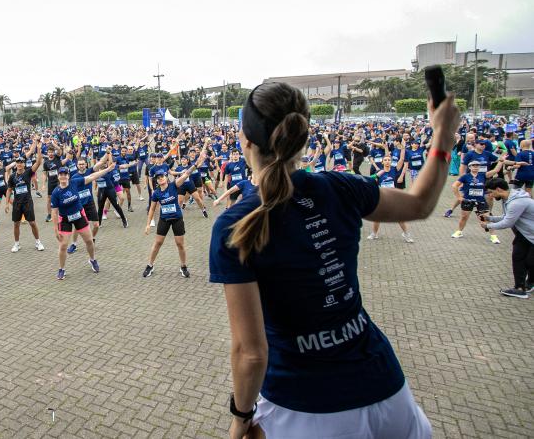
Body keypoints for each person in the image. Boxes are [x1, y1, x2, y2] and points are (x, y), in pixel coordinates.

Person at [208, 82, 457, 439]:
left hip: (303, 406)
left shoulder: (236, 224)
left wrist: (240, 418)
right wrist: (443, 138)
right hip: (387, 390)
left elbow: (251, 352)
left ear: (245, 140)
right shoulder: (341, 187)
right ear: (303, 137)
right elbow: (419, 203)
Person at [143, 149, 206, 278]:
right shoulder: (156, 193)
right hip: (164, 220)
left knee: (180, 244)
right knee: (158, 243)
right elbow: (152, 209)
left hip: (177, 219)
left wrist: (195, 165)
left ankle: (183, 266)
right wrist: (148, 224)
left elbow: (186, 174)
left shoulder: (174, 185)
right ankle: (150, 265)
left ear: (166, 177)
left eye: (162, 176)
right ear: (156, 180)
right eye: (158, 178)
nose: (160, 179)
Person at [50, 161, 114, 279]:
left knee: (89, 241)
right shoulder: (56, 193)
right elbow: (54, 212)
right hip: (65, 220)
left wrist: (107, 170)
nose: (63, 176)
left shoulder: (75, 182)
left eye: (65, 174)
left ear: (69, 175)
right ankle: (61, 269)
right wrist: (55, 229)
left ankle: (92, 260)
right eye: (61, 174)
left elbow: (92, 176)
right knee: (63, 245)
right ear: (58, 176)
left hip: (79, 215)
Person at [481, 178, 534, 299]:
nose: (490, 195)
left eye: (491, 192)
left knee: (530, 262)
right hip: (524, 234)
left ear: (498, 189)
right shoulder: (509, 199)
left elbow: (507, 223)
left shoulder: (517, 202)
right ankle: (520, 288)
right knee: (518, 257)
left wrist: (488, 225)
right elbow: (507, 216)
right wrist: (490, 218)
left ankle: (530, 282)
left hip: (530, 234)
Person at [5, 139, 46, 253]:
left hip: (28, 201)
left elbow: (38, 163)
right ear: (16, 164)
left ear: (24, 164)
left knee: (32, 223)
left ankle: (38, 242)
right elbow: (9, 190)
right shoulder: (12, 177)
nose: (19, 164)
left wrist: (38, 149)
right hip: (17, 203)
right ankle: (17, 244)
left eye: (21, 162)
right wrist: (7, 203)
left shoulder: (28, 172)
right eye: (17, 162)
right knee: (16, 224)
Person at [451, 160, 504, 242]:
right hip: (468, 201)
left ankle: (493, 236)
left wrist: (500, 162)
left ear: (479, 167)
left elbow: (496, 171)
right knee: (464, 217)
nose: (475, 167)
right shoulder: (465, 177)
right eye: (473, 165)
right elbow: (454, 186)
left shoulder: (483, 175)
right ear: (470, 167)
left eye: (477, 166)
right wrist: (459, 197)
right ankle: (459, 231)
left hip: (480, 201)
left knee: (485, 218)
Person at [366, 154, 415, 243]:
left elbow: (402, 159)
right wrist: (377, 175)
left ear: (391, 162)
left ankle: (406, 234)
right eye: (385, 160)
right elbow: (369, 179)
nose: (387, 161)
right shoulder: (380, 172)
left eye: (389, 160)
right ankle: (374, 234)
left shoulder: (394, 170)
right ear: (382, 162)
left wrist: (403, 146)